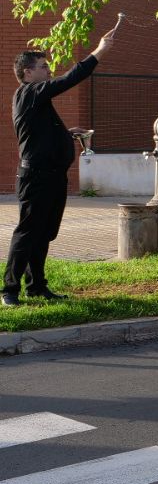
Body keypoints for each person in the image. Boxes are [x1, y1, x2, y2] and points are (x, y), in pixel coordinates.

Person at [3, 22, 119, 306]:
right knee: (28, 232)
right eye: (43, 67)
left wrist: (66, 135)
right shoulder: (29, 92)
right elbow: (69, 79)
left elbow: (38, 133)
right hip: (36, 177)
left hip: (53, 176)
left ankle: (37, 286)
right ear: (27, 73)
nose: (48, 71)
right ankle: (9, 290)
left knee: (45, 232)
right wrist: (100, 51)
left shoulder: (35, 101)